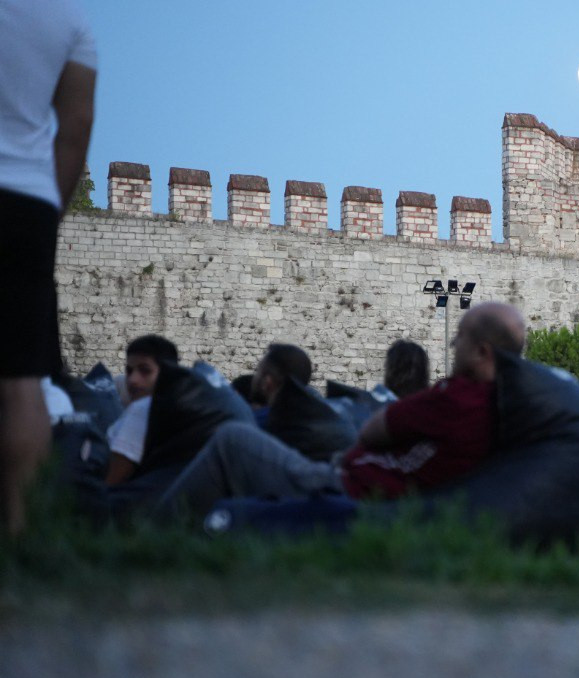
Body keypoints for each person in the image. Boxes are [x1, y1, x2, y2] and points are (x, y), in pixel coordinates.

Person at [155, 302, 526, 519]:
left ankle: (149, 530)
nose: (453, 344)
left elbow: (374, 429)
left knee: (233, 439)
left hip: (349, 490)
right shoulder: (504, 401)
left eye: (459, 337)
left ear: (482, 352)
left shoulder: (459, 397)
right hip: (362, 486)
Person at [0, 0, 96, 535]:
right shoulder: (69, 21)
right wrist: (51, 208)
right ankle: (21, 532)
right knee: (22, 382)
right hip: (27, 203)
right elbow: (76, 125)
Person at [105, 334, 178, 486]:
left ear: (167, 373)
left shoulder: (143, 409)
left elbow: (110, 481)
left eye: (145, 371)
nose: (132, 379)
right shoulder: (173, 407)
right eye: (129, 371)